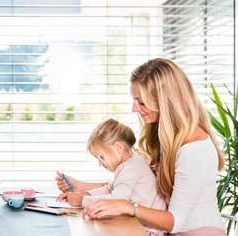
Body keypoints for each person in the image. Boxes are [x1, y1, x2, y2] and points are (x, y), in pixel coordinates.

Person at [56, 58, 226, 235]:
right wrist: (82, 187)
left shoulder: (193, 150)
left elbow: (175, 221)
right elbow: (133, 183)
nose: (134, 108)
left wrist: (129, 206)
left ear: (165, 101)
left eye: (141, 102)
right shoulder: (167, 137)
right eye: (134, 100)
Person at [56, 118, 166, 236]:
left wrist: (81, 201)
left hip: (150, 231)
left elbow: (116, 200)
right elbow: (110, 188)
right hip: (144, 226)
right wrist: (83, 194)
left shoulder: (130, 168)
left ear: (118, 148)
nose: (100, 163)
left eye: (101, 157)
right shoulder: (134, 161)